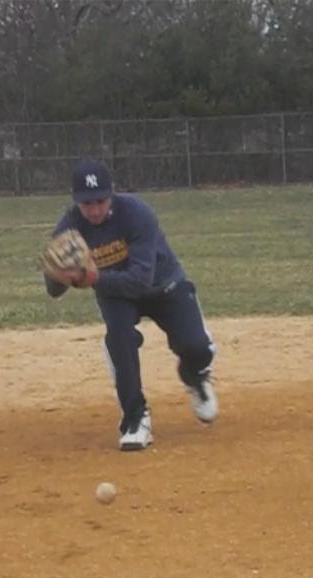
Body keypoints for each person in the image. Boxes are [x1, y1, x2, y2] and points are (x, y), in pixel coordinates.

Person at [43, 159, 218, 451]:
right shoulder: (70, 228)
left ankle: (194, 374)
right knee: (119, 339)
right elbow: (53, 290)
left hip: (164, 285)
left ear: (111, 194)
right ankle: (135, 418)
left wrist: (91, 277)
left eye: (100, 201)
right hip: (116, 296)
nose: (95, 210)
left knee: (196, 346)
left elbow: (139, 280)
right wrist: (61, 275)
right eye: (87, 204)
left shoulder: (137, 214)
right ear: (76, 203)